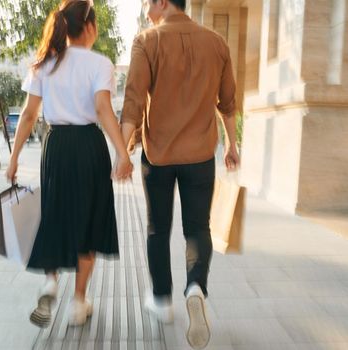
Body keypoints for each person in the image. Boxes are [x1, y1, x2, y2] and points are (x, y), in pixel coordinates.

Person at [5, 0, 133, 328]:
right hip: (89, 147)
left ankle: (50, 282)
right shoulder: (100, 63)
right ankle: (78, 302)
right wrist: (122, 153)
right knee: (89, 221)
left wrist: (14, 156)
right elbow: (104, 110)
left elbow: (30, 114)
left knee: (56, 215)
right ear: (89, 27)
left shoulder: (45, 64)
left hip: (57, 146)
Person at [120, 0, 240, 348]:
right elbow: (227, 102)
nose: (144, 5)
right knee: (198, 228)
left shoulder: (147, 41)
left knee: (158, 228)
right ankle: (195, 288)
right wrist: (233, 145)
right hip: (201, 155)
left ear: (160, 3)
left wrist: (121, 152)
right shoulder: (216, 42)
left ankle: (161, 301)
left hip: (157, 157)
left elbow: (133, 100)